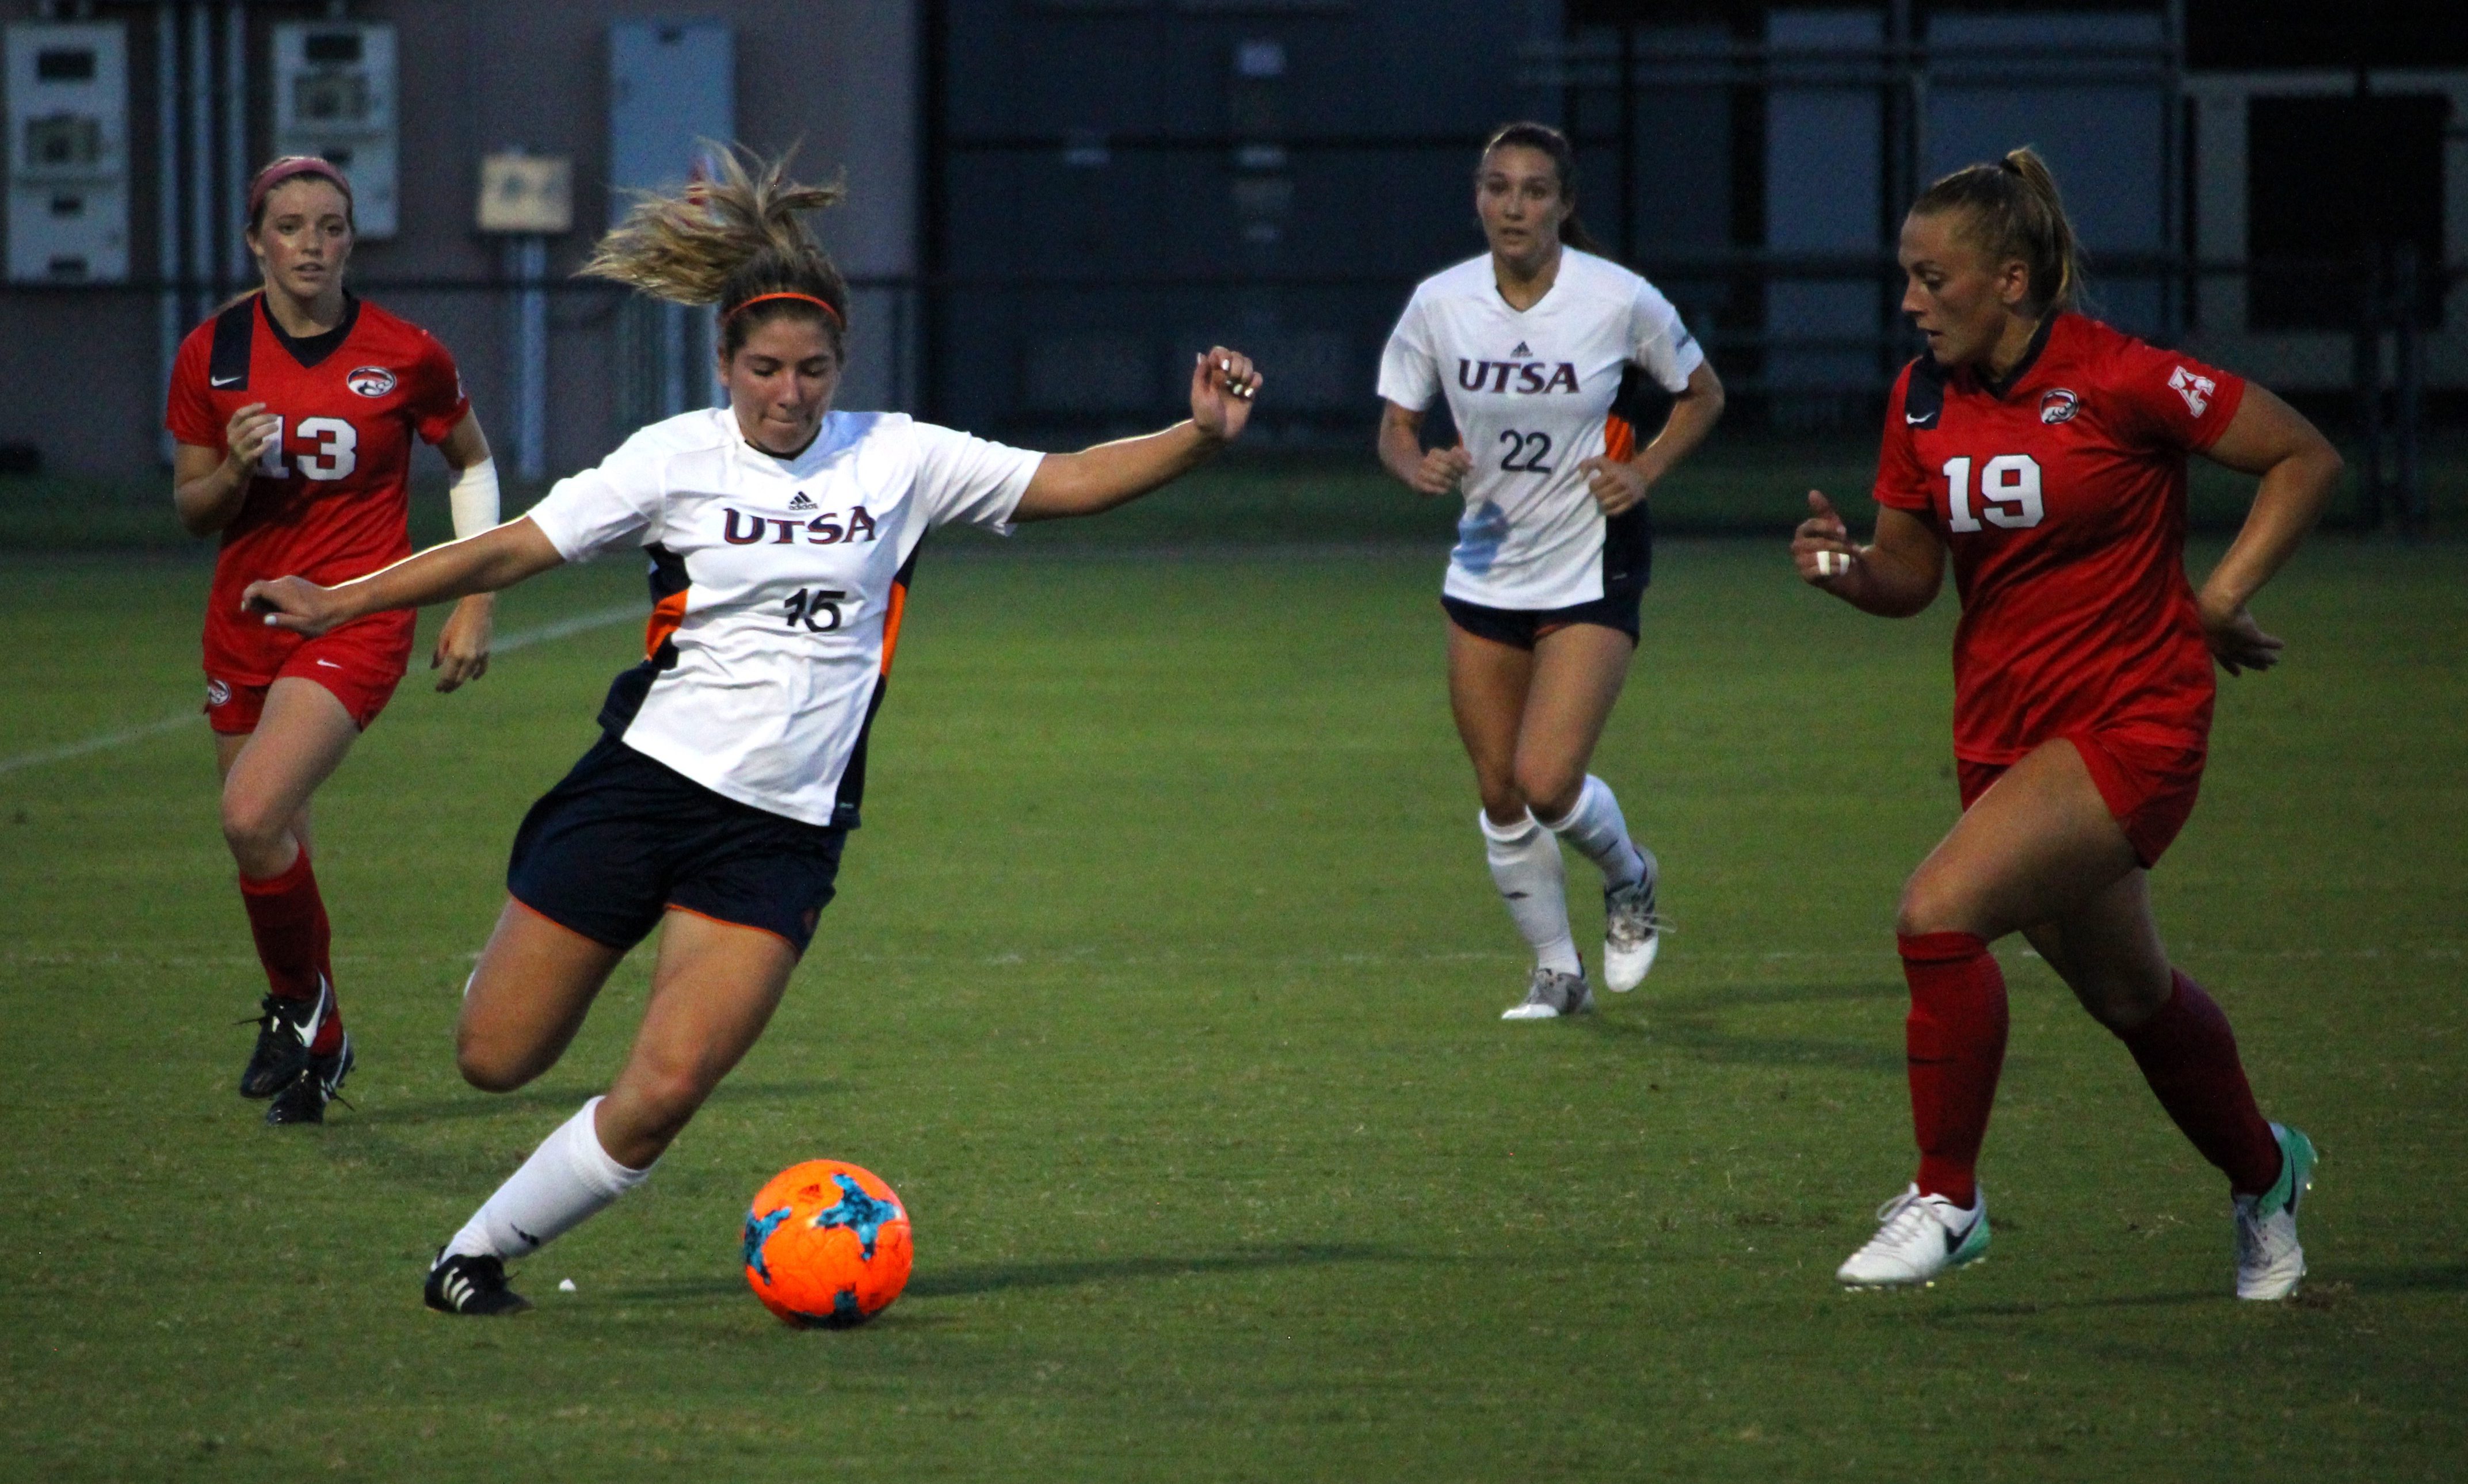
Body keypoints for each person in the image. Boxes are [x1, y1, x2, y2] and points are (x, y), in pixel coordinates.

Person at [240, 148, 1264, 1316]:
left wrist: (1201, 437)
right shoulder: (671, 457)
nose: (790, 393)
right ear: (724, 362)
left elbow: (1073, 478)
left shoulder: (901, 456)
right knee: (495, 1058)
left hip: (778, 834)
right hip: (641, 790)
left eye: (813, 369)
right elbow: (512, 546)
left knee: (667, 1085)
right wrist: (342, 599)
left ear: (842, 366)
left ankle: (473, 1257)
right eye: (766, 369)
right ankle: (535, 950)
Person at [1792, 148, 2340, 1299]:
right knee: (2130, 996)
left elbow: (2301, 454)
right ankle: (2265, 1175)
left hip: (2131, 724)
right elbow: (1908, 574)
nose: (1909, 300)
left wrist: (2222, 596)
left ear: (2011, 278)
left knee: (1936, 917)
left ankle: (1949, 1199)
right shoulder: (1922, 399)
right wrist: (1846, 567)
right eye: (1905, 276)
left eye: (1931, 277)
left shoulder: (2120, 376)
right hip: (2002, 738)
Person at [168, 155, 500, 1125]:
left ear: (353, 239)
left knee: (249, 815)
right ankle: (323, 1046)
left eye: (330, 226)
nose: (311, 244)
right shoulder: (213, 355)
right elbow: (193, 510)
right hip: (247, 620)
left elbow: (470, 462)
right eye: (291, 226)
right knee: (273, 841)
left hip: (358, 615)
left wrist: (473, 600)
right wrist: (231, 472)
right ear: (254, 241)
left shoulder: (406, 352)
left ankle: (299, 1012)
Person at [1376, 122, 1725, 1021]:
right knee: (1498, 793)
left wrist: (1640, 470)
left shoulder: (1617, 297)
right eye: (1497, 188)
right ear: (1477, 198)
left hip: (1591, 560)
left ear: (1564, 204)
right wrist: (1415, 465)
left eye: (1534, 191)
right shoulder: (1439, 302)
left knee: (1545, 781)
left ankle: (1630, 876)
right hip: (1486, 564)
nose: (1513, 206)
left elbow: (1703, 393)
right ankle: (1556, 975)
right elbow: (1396, 423)